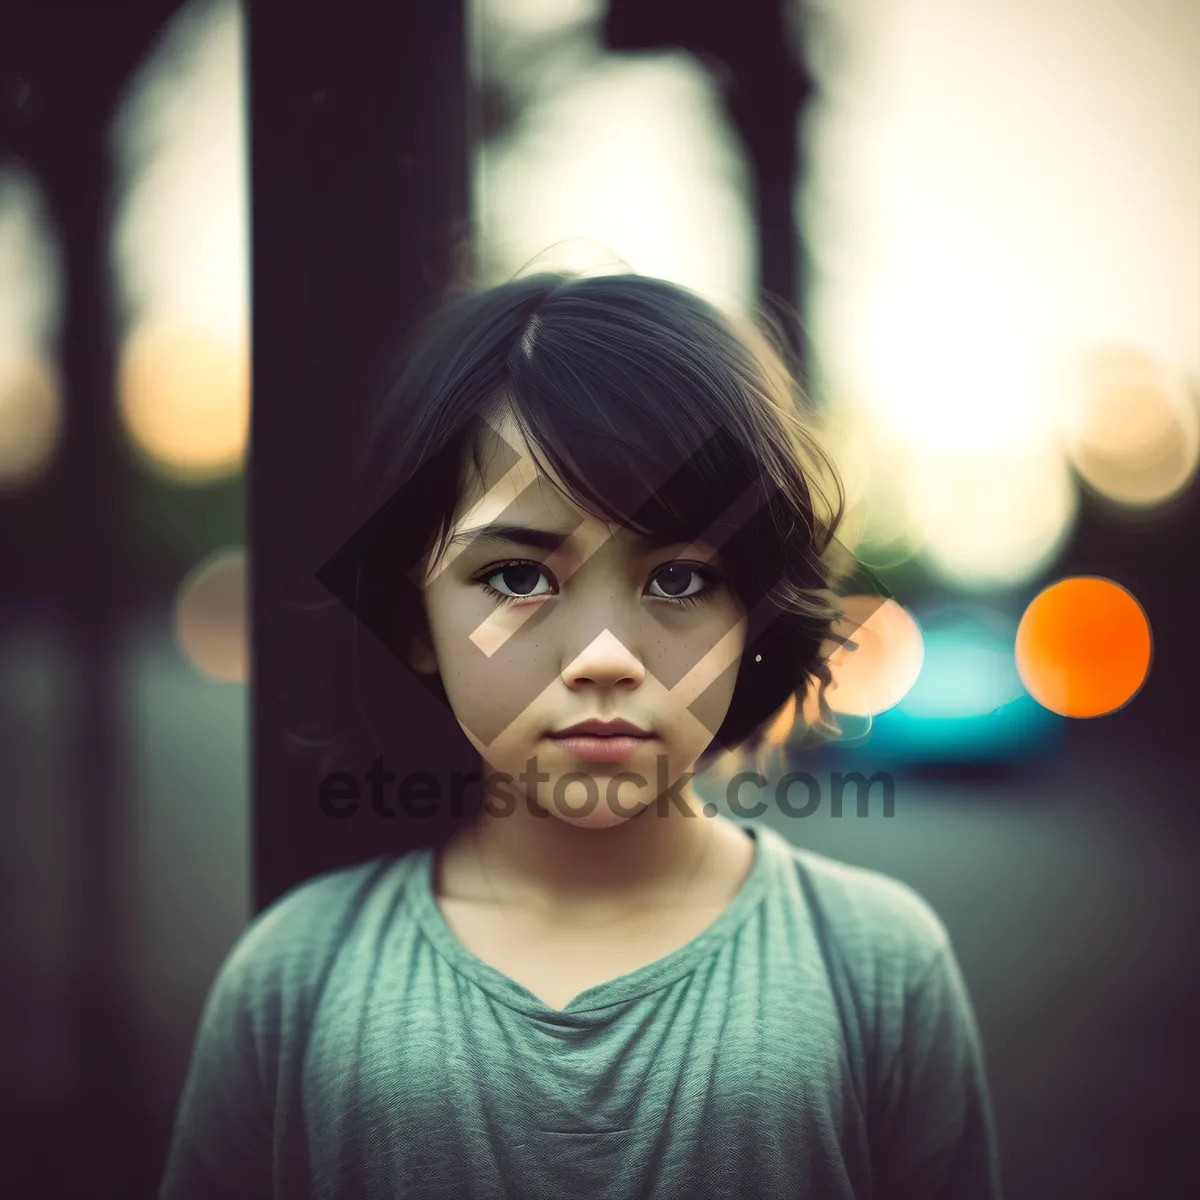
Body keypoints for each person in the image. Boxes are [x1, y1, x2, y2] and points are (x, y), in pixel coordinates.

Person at [160, 268, 1004, 1198]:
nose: (604, 657)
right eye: (519, 578)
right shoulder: (294, 979)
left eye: (681, 580)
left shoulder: (878, 965)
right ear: (414, 621)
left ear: (753, 614)